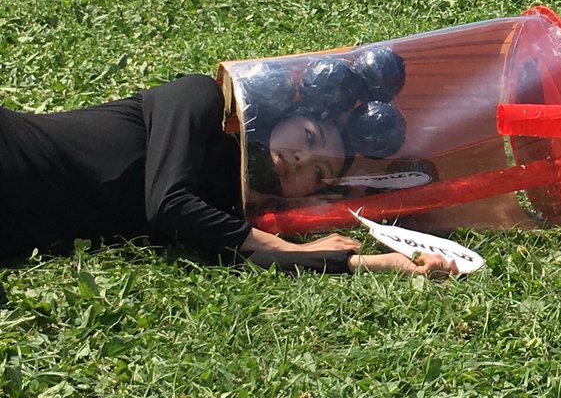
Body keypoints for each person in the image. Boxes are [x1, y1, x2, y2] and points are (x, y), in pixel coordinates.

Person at [0, 74, 458, 277]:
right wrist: (279, 243)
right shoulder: (197, 98)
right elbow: (168, 205)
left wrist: (377, 264)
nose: (302, 159)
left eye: (319, 171)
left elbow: (241, 255)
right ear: (285, 114)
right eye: (309, 135)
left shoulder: (225, 213)